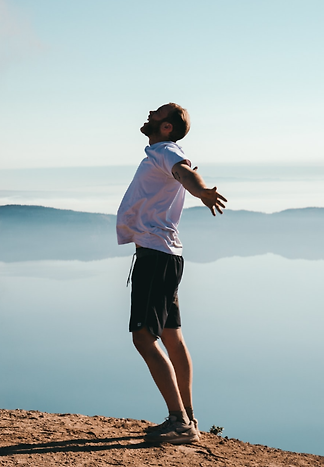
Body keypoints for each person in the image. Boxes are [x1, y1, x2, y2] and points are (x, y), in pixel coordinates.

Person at [116, 103, 227, 445]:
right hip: (164, 254)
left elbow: (185, 173)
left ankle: (179, 423)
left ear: (166, 127)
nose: (149, 113)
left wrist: (201, 191)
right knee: (170, 335)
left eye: (157, 113)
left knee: (143, 337)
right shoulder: (161, 152)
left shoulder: (167, 151)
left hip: (155, 256)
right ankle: (187, 416)